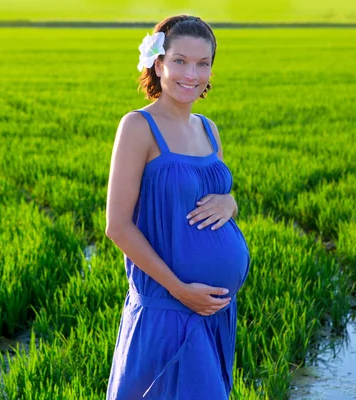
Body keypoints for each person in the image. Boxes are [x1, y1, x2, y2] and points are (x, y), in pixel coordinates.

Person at [105, 15, 251, 399]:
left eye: (204, 63)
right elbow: (117, 226)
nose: (193, 74)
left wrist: (230, 201)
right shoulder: (138, 126)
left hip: (214, 313)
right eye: (181, 61)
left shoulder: (208, 128)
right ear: (158, 63)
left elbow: (209, 194)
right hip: (166, 311)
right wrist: (180, 290)